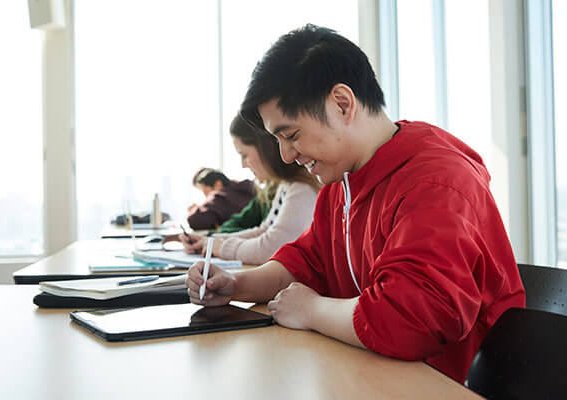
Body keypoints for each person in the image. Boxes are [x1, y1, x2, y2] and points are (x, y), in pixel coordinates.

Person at [185, 24, 525, 383]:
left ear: (342, 105)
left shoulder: (438, 182)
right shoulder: (342, 179)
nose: (285, 155)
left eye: (292, 135)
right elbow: (308, 262)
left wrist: (312, 310)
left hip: (443, 385)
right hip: (373, 373)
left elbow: (409, 320)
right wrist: (235, 285)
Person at [181, 114, 321, 265]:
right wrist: (210, 241)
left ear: (266, 149)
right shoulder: (286, 186)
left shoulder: (302, 188)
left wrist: (220, 247)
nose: (243, 164)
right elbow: (264, 231)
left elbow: (271, 247)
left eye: (244, 155)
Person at [187, 168, 255, 230]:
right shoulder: (249, 188)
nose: (206, 196)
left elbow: (195, 220)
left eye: (205, 191)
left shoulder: (220, 196)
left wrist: (194, 209)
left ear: (218, 184)